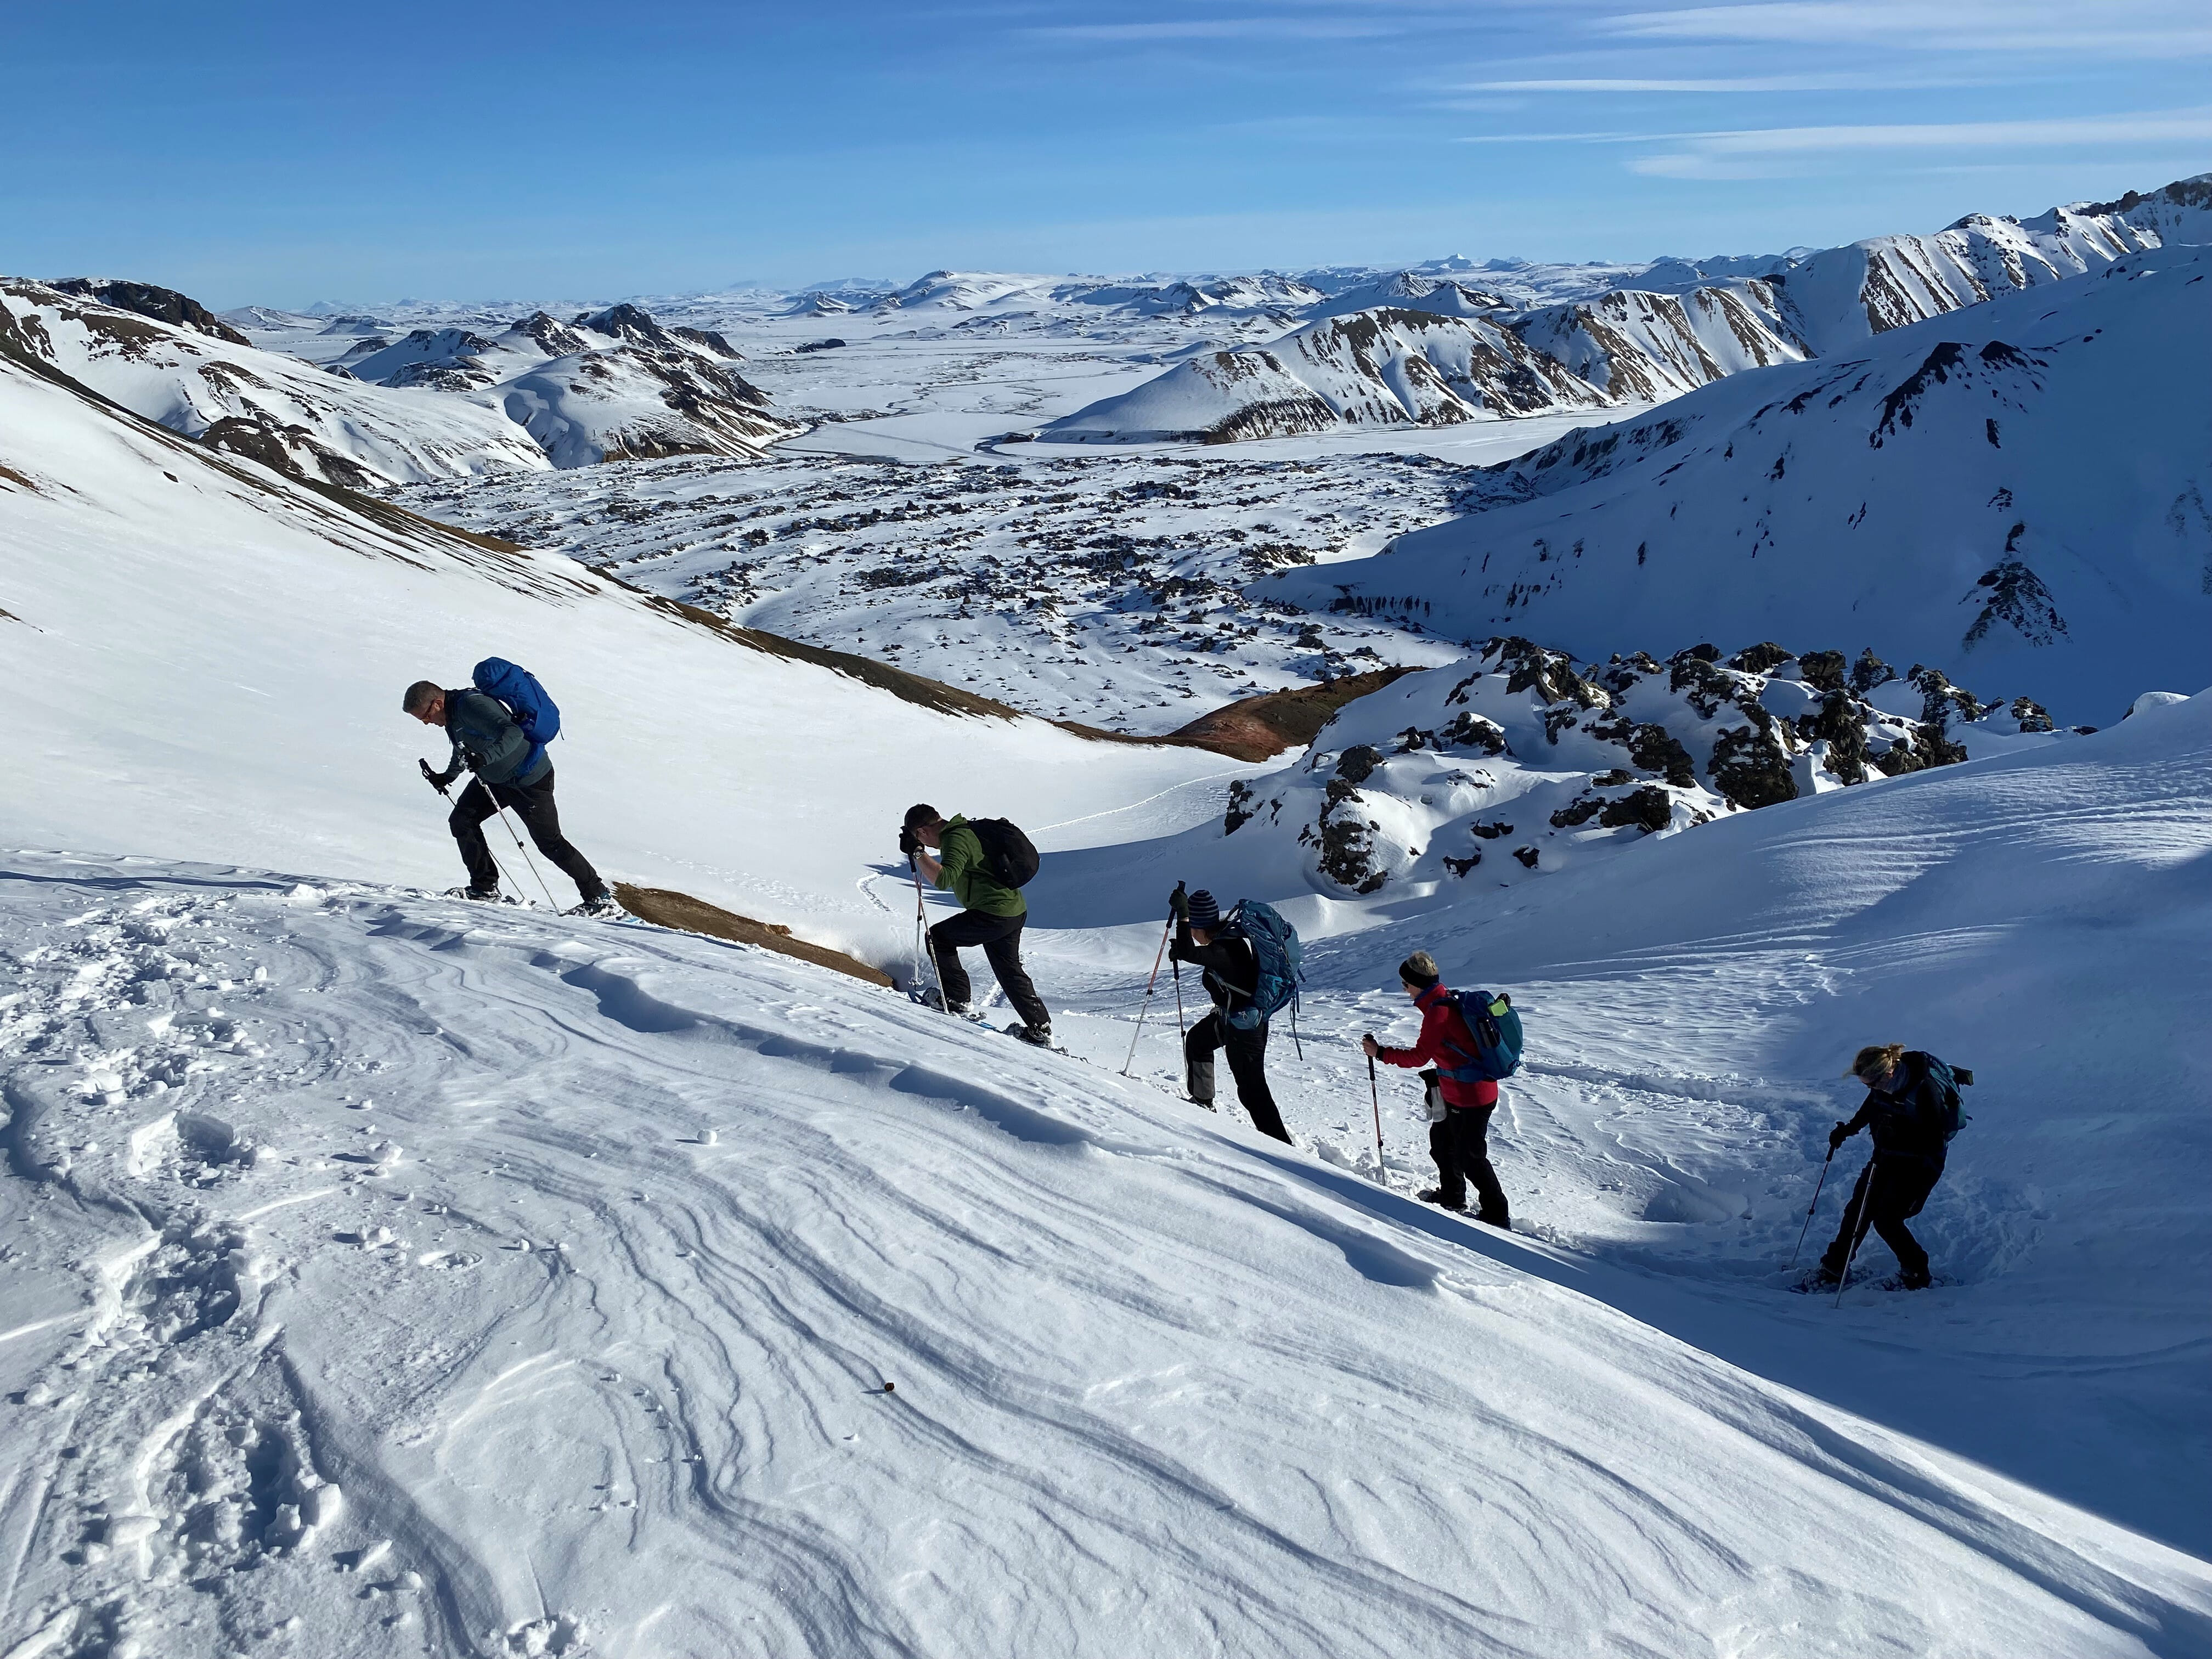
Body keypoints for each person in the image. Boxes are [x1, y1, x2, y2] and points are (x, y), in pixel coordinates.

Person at [404, 678, 613, 915]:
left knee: (550, 843)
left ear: (437, 704)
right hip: (496, 780)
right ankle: (484, 888)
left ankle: (599, 896)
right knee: (462, 821)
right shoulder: (452, 715)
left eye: (425, 716)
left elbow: (513, 733)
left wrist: (485, 758)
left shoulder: (471, 706)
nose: (427, 723)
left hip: (529, 780)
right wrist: (448, 776)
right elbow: (463, 746)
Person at [1362, 951, 1510, 1228]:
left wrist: (1380, 1052)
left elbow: (1419, 1056)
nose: (1405, 990)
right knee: (1443, 1144)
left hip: (1473, 1096)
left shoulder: (1438, 1011)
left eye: (1406, 984)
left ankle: (1497, 1213)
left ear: (1418, 983)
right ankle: (1453, 1197)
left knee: (1471, 1156)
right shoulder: (1445, 999)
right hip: (1456, 1090)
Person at [902, 804, 1051, 1046]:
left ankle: (957, 999)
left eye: (920, 839)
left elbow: (943, 878)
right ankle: (1040, 1028)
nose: (925, 845)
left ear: (922, 831)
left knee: (938, 939)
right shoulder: (963, 830)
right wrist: (918, 849)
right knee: (1009, 970)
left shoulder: (956, 839)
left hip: (994, 912)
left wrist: (918, 854)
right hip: (1012, 909)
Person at [1807, 1043, 1951, 1290]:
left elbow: (1935, 1140)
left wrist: (1898, 1136)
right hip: (1886, 1157)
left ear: (1889, 1074)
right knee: (1858, 1209)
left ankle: (1917, 1273)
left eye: (1871, 1084)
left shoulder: (1924, 1090)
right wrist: (1847, 1130)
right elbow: (1871, 1108)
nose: (1870, 1089)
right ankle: (1835, 1267)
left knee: (1887, 1219)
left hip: (1920, 1166)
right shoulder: (1881, 1086)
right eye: (1865, 1085)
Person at [1168, 885, 1290, 1144]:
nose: (1192, 935)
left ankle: (1282, 1147)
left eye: (1192, 929)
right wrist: (1182, 947)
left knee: (1252, 1090)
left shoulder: (1224, 949)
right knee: (1198, 1041)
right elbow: (1197, 955)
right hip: (1229, 1019)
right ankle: (1202, 1102)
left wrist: (1183, 915)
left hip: (1246, 1029)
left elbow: (1196, 954)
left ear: (1199, 926)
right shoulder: (1225, 941)